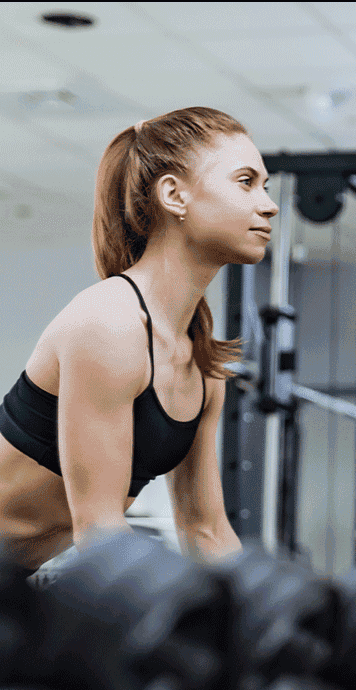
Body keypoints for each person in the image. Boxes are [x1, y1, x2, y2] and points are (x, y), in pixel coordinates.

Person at [0, 107, 278, 580]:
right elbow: (100, 535)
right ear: (174, 195)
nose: (268, 204)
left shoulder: (202, 363)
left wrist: (270, 608)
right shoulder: (109, 325)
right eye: (246, 181)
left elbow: (206, 530)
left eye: (264, 186)